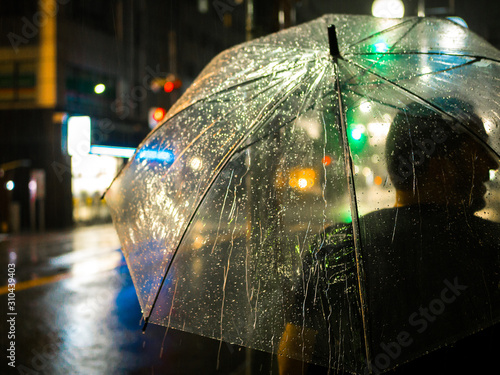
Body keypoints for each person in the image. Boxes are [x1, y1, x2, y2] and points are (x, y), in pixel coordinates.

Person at [278, 100, 500, 374]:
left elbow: (295, 354)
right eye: (477, 149)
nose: (492, 163)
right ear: (437, 164)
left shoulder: (338, 246)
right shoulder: (489, 248)